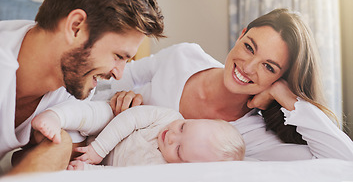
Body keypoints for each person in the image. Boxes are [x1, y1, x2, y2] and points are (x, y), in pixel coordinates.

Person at [95, 8, 353, 161]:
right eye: (249, 47)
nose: (248, 67)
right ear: (241, 35)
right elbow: (110, 78)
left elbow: (344, 160)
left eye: (269, 67)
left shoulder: (254, 134)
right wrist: (120, 95)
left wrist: (287, 97)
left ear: (281, 78)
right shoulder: (185, 57)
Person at [0, 0, 165, 175]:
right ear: (76, 27)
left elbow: (58, 152)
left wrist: (64, 143)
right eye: (118, 56)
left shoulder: (72, 82)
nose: (119, 73)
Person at [31, 102, 245, 170]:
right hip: (106, 129)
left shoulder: (160, 171)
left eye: (179, 150)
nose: (171, 136)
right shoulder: (168, 117)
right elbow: (130, 119)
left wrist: (90, 169)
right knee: (100, 112)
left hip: (95, 162)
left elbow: (118, 177)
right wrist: (99, 149)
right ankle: (57, 116)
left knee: (57, 164)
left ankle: (25, 162)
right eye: (183, 128)